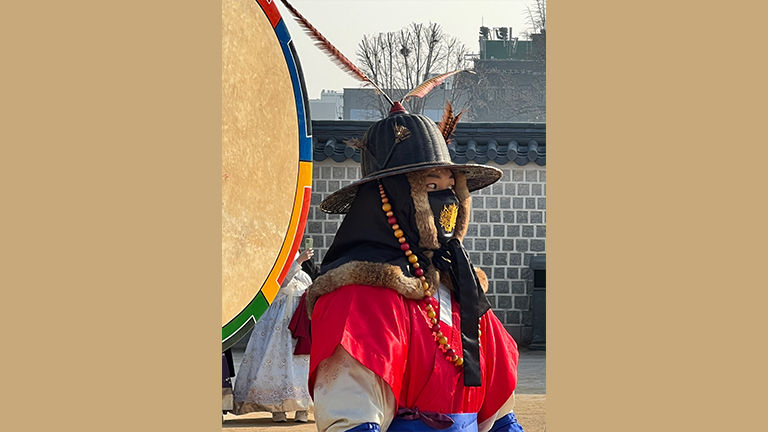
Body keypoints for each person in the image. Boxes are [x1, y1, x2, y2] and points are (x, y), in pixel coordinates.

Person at [304, 102, 525, 432]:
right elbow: (352, 421)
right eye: (431, 188)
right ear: (391, 199)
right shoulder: (359, 297)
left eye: (451, 188)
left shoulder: (464, 292)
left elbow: (500, 418)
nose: (447, 202)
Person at [233, 249, 315, 422]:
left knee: (300, 364)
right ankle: (277, 408)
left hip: (298, 324)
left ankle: (303, 408)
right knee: (276, 363)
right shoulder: (273, 261)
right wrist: (298, 261)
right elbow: (280, 283)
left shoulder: (303, 276)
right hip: (278, 322)